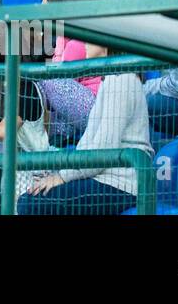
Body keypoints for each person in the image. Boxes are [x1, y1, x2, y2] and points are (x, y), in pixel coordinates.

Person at [16, 40, 151, 216]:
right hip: (105, 179)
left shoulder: (121, 78)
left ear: (105, 43)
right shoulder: (111, 77)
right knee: (33, 195)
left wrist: (61, 177)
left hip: (121, 185)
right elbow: (89, 143)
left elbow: (102, 150)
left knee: (32, 204)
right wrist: (62, 176)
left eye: (90, 40)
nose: (85, 45)